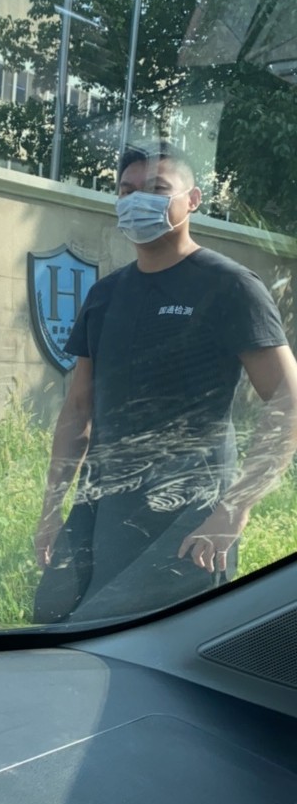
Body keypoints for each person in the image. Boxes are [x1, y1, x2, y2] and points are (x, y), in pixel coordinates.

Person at [33, 142, 297, 624]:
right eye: (126, 190)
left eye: (156, 189)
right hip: (103, 508)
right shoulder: (104, 295)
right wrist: (52, 510)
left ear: (192, 199)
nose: (138, 200)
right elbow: (77, 410)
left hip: (188, 520)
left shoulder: (230, 286)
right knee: (54, 625)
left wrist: (233, 511)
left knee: (143, 648)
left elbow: (288, 400)